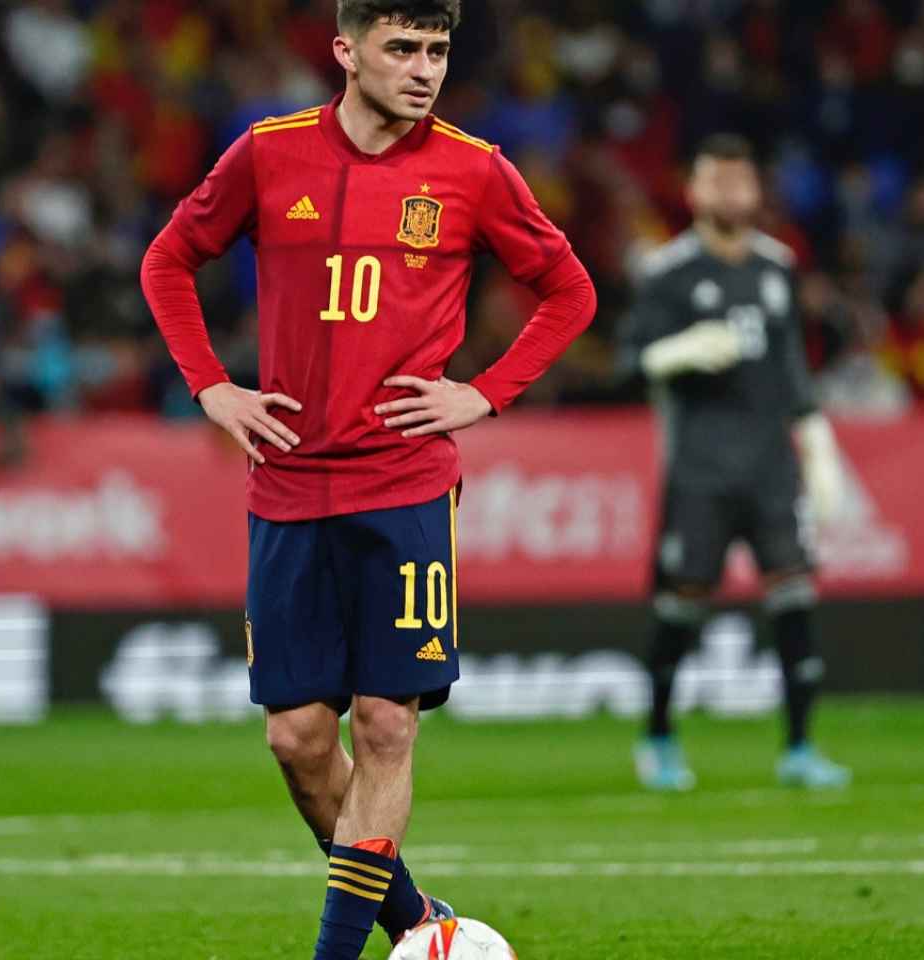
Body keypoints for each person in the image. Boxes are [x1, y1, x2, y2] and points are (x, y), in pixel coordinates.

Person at [138, 2, 594, 957]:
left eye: (437, 50)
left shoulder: (475, 169)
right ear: (347, 51)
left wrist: (486, 393)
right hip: (289, 487)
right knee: (298, 740)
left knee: (388, 722)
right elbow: (169, 258)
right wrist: (211, 386)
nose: (424, 69)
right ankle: (421, 927)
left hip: (407, 485)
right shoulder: (267, 154)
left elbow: (570, 289)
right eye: (402, 48)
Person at [618, 133, 851, 791]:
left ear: (756, 192)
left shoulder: (777, 268)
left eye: (740, 181)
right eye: (716, 181)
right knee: (681, 603)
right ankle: (659, 737)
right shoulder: (669, 274)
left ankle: (801, 748)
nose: (730, 193)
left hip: (771, 468)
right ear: (693, 192)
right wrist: (676, 351)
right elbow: (625, 361)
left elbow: (792, 371)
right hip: (700, 470)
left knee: (795, 594)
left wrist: (819, 447)